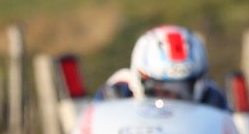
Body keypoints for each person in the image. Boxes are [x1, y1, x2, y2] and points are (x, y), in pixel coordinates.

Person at [97, 24, 228, 107]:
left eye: (182, 90)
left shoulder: (214, 102)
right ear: (140, 78)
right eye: (160, 89)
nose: (170, 99)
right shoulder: (115, 95)